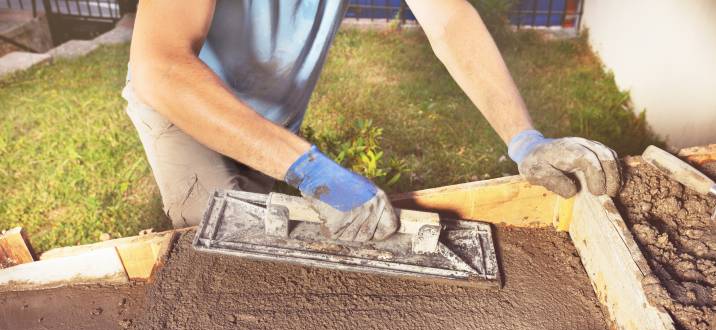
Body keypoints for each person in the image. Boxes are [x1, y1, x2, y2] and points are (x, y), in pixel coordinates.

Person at [125, 0, 621, 242]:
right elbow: (161, 66)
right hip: (181, 103)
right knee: (225, 246)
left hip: (270, 114)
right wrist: (308, 168)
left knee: (282, 231)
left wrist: (525, 139)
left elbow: (448, 19)